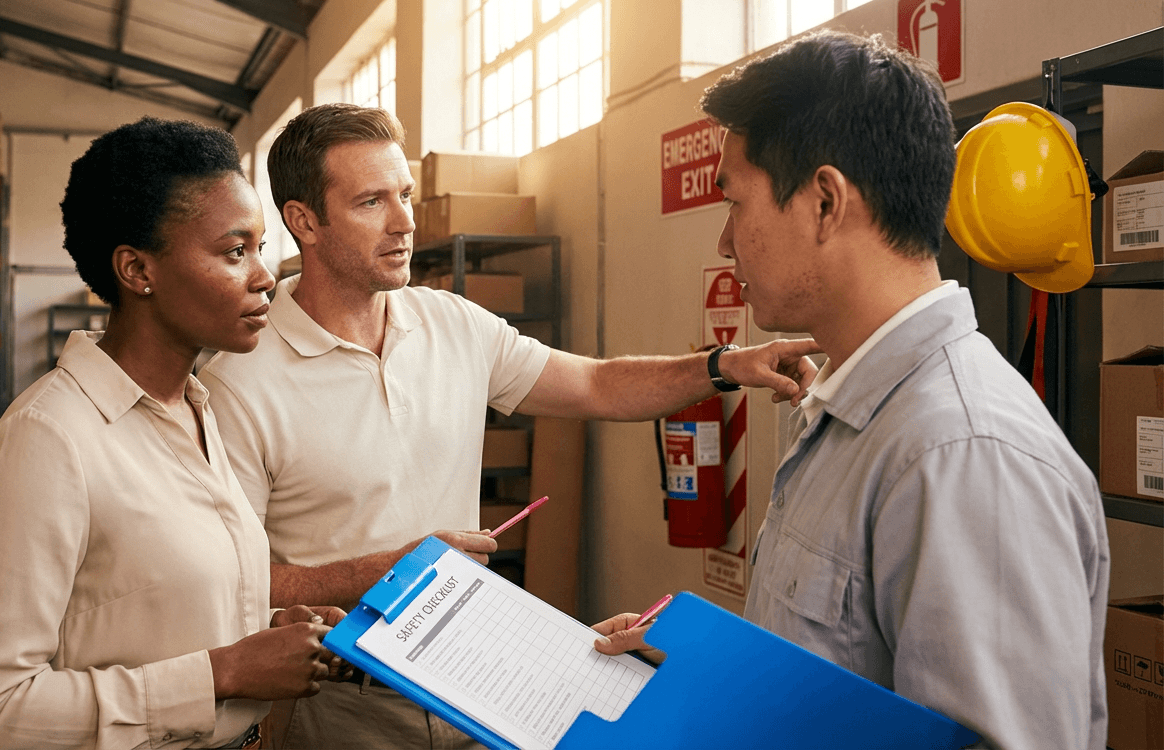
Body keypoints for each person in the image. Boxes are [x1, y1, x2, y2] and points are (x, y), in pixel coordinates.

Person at [197, 103, 822, 749]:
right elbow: (230, 579)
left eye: (405, 195)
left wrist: (726, 365)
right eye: (371, 202)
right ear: (304, 221)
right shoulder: (238, 382)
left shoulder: (452, 324)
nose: (405, 222)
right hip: (343, 704)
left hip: (473, 681)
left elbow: (596, 383)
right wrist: (385, 569)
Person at [593, 31, 1109, 750]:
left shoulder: (964, 455)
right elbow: (848, 684)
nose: (724, 241)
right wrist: (707, 671)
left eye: (734, 203)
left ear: (825, 202)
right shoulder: (847, 410)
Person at [0, 118, 348, 750]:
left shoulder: (195, 409)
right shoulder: (49, 442)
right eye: (235, 252)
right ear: (137, 270)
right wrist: (226, 673)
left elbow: (140, 614)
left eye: (261, 248)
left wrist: (268, 634)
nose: (265, 276)